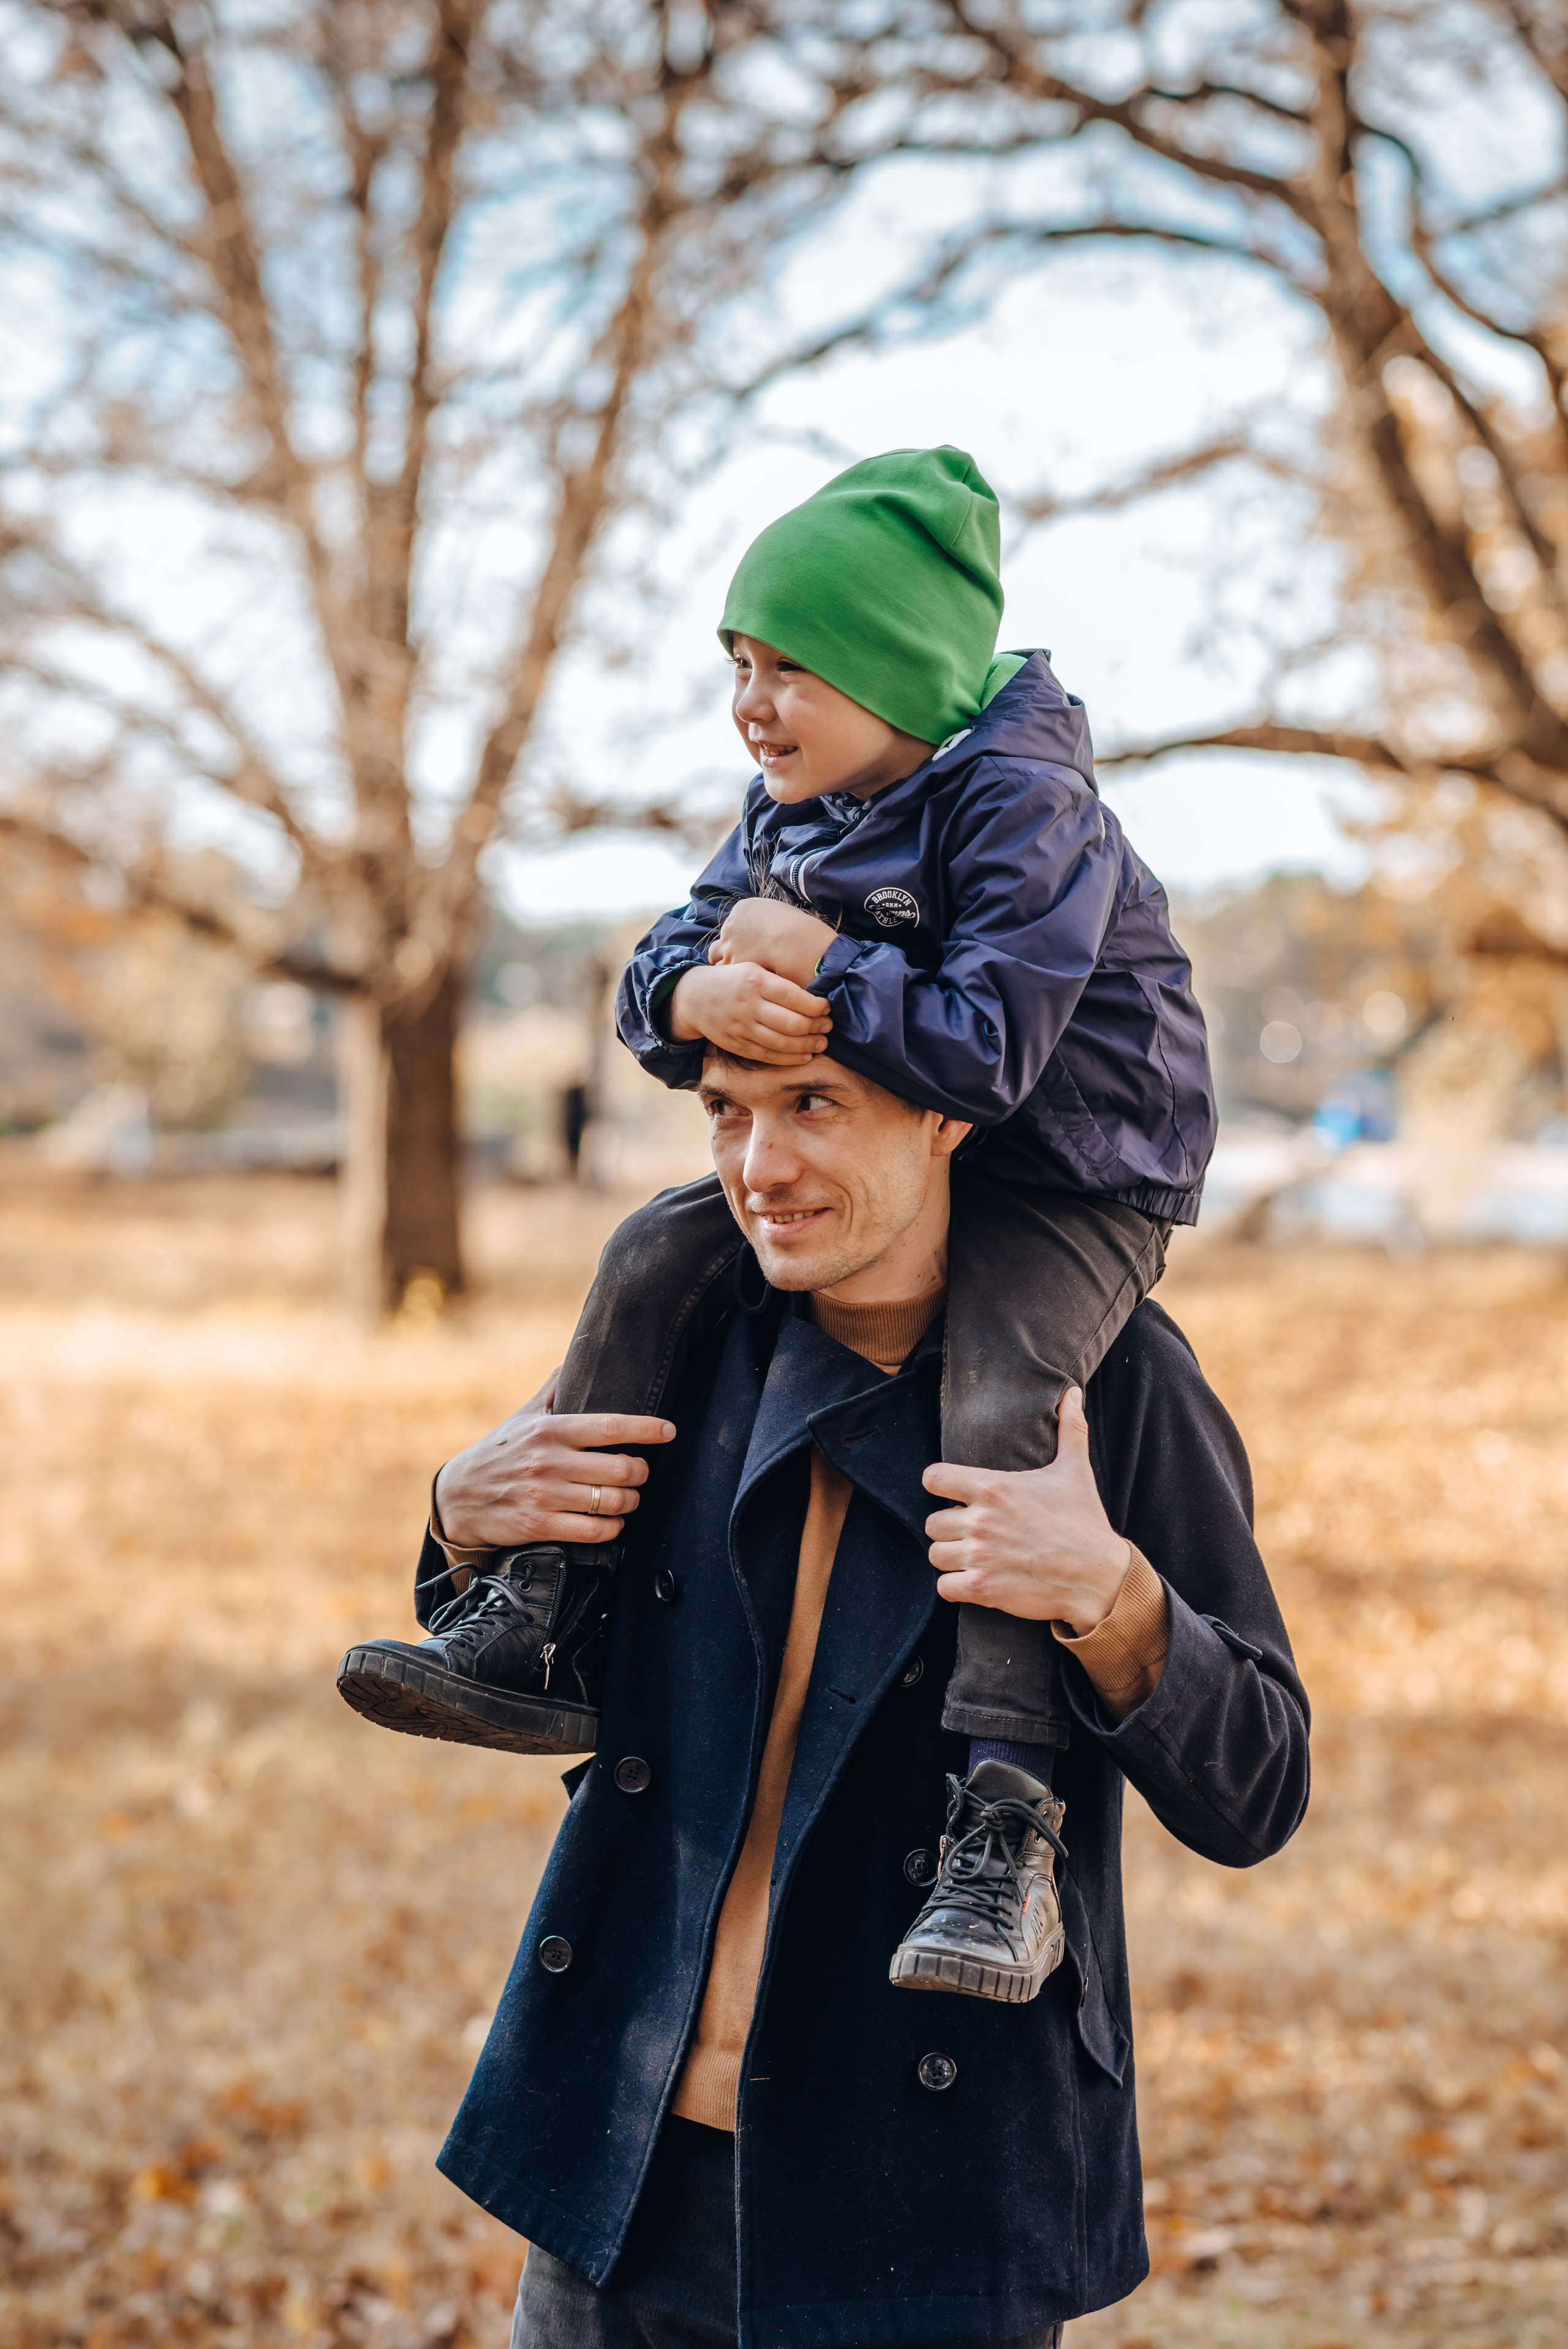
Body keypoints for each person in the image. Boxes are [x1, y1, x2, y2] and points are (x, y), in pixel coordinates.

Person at [337, 445, 1217, 2003]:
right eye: (739, 663)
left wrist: (1114, 1594)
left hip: (1079, 1160)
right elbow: (663, 957)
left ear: (900, 677)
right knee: (647, 1251)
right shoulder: (793, 809)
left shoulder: (1027, 811)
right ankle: (538, 1614)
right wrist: (691, 988)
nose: (752, 702)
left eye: (792, 666)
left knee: (1006, 1398)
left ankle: (1000, 1829)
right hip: (628, 2101)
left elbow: (981, 1052)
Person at [415, 1042, 1308, 2349]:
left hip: (924, 2194)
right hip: (621, 2154)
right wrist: (455, 1523)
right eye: (725, 1112)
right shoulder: (679, 1333)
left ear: (946, 1114)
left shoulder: (1107, 1384)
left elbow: (1259, 1786)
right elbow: (519, 1653)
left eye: (813, 1107)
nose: (758, 1166)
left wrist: (1105, 1591)